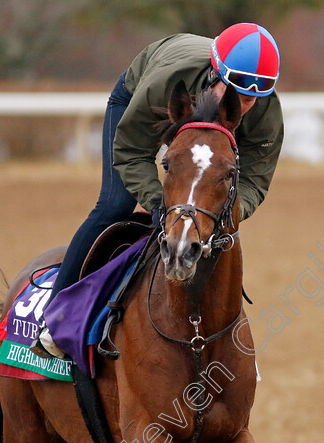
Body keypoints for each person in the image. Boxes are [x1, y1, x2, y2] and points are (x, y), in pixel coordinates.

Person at [31, 23, 284, 358]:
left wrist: (220, 212)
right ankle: (55, 317)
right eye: (236, 91)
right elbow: (130, 151)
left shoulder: (265, 113)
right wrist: (161, 206)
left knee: (214, 229)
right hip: (140, 100)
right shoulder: (165, 83)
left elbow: (254, 181)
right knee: (114, 206)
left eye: (254, 97)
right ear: (215, 73)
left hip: (205, 141)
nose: (245, 102)